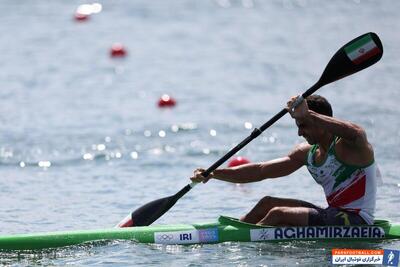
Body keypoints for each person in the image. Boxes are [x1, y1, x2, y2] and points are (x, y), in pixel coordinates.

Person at [190, 95, 379, 226]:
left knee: (278, 214)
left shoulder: (349, 147)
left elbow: (357, 133)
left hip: (356, 220)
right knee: (267, 203)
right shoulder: (308, 154)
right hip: (333, 214)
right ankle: (235, 232)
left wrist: (309, 114)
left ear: (320, 121)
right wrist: (213, 174)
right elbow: (260, 170)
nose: (299, 132)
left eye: (303, 125)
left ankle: (249, 250)